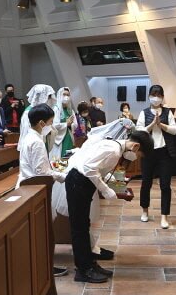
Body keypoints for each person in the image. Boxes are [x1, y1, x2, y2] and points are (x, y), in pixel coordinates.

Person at [61, 130, 153, 283]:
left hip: (82, 182)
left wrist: (112, 183)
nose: (136, 157)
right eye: (139, 154)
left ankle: (89, 263)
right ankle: (83, 270)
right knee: (79, 227)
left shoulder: (114, 146)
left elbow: (96, 167)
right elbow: (89, 168)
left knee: (84, 225)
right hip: (79, 182)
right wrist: (106, 190)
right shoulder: (113, 150)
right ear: (136, 146)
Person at [16, 104, 68, 277]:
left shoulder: (30, 137)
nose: (52, 126)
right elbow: (41, 172)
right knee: (41, 230)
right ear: (41, 123)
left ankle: (43, 265)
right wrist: (62, 176)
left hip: (29, 185)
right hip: (34, 188)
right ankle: (43, 267)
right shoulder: (36, 141)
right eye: (50, 122)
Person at [136, 85, 176, 229]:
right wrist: (153, 124)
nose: (156, 98)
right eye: (153, 95)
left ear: (162, 97)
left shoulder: (167, 112)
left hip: (164, 152)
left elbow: (175, 130)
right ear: (149, 96)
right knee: (146, 182)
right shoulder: (144, 112)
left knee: (165, 185)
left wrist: (161, 125)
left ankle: (164, 216)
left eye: (159, 95)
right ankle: (145, 210)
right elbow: (139, 131)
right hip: (148, 152)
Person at [18, 84, 55, 151]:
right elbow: (27, 133)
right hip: (33, 146)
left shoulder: (43, 112)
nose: (50, 100)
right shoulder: (28, 112)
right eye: (48, 97)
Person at [50, 87, 76, 160]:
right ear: (59, 95)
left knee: (69, 158)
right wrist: (66, 124)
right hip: (59, 140)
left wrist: (71, 125)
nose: (66, 97)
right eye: (64, 94)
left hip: (69, 137)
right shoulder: (56, 109)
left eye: (68, 95)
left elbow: (75, 124)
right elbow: (54, 125)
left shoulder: (70, 110)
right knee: (60, 160)